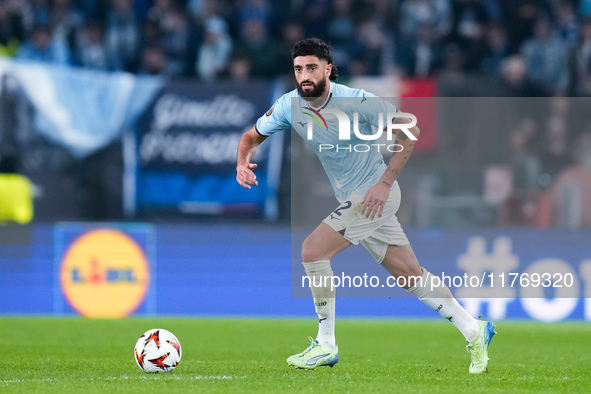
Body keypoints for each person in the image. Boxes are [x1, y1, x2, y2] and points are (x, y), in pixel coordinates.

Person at [235, 38, 495, 374]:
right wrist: (243, 162)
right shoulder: (289, 105)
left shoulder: (357, 101)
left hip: (375, 196)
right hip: (355, 200)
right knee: (411, 276)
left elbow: (410, 131)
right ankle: (475, 331)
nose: (304, 75)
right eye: (299, 68)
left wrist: (384, 185)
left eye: (311, 67)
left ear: (328, 69)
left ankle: (326, 344)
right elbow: (251, 137)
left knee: (312, 251)